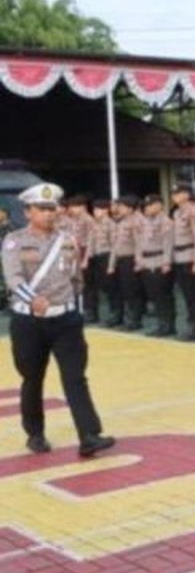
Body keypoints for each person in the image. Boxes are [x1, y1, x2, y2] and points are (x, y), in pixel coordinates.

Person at [2, 182, 115, 457]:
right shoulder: (14, 240)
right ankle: (35, 434)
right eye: (42, 209)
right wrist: (33, 299)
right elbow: (13, 278)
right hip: (30, 322)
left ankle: (89, 435)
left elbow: (76, 278)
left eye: (52, 209)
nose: (49, 214)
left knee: (76, 377)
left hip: (65, 321)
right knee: (32, 378)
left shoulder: (67, 240)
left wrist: (73, 308)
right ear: (28, 211)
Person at [137, 194, 176, 338]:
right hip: (148, 262)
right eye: (146, 206)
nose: (147, 208)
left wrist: (166, 262)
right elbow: (142, 243)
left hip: (160, 261)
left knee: (163, 296)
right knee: (154, 295)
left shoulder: (166, 222)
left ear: (159, 205)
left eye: (150, 205)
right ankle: (162, 324)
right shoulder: (147, 222)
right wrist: (140, 261)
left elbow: (168, 244)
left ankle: (168, 325)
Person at [171, 185, 195, 341]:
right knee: (186, 294)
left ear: (186, 195)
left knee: (194, 295)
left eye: (178, 193)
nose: (175, 197)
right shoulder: (177, 213)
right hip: (179, 256)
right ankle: (191, 324)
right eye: (174, 194)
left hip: (191, 255)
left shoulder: (193, 212)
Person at [107, 195, 145, 331]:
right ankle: (128, 319)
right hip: (122, 260)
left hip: (131, 259)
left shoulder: (136, 221)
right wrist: (112, 264)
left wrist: (138, 261)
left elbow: (139, 243)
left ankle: (134, 321)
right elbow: (116, 245)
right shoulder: (122, 221)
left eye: (122, 206)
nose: (119, 209)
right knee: (125, 291)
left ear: (130, 208)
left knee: (133, 292)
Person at [84, 199, 115, 325]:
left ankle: (114, 315)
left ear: (106, 210)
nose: (96, 212)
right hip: (95, 257)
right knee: (97, 286)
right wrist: (86, 258)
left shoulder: (111, 224)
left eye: (98, 209)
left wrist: (111, 264)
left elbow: (114, 245)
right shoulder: (95, 224)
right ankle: (95, 315)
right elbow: (90, 242)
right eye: (95, 209)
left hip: (106, 256)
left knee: (110, 287)